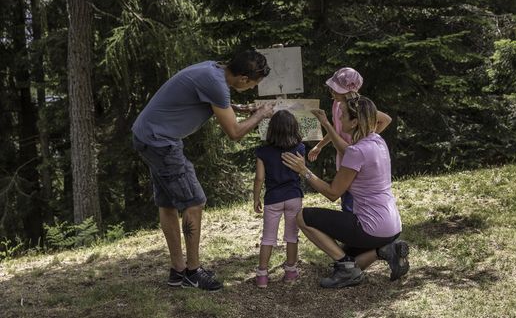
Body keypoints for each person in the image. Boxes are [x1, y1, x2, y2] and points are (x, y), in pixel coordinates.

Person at [132, 50, 274, 291]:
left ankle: (178, 271)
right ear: (242, 78)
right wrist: (260, 114)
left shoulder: (213, 70)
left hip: (147, 135)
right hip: (161, 142)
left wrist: (240, 108)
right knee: (194, 202)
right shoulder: (217, 84)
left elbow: (214, 101)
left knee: (167, 203)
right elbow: (235, 133)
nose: (251, 88)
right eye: (252, 84)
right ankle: (193, 272)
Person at [282, 96, 409, 289]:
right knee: (349, 255)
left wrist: (304, 171)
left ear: (355, 122)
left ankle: (346, 268)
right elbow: (347, 150)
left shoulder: (357, 152)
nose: (339, 120)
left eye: (342, 117)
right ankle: (384, 250)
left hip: (370, 228)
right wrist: (326, 124)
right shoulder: (377, 141)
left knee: (302, 217)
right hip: (392, 226)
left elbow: (333, 193)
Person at [307, 67, 392, 213]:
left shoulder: (358, 108)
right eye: (332, 88)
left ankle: (356, 230)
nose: (333, 92)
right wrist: (320, 146)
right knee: (346, 200)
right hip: (345, 159)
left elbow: (386, 120)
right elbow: (336, 129)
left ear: (350, 91)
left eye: (336, 89)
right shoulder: (337, 104)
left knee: (351, 203)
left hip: (356, 161)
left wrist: (365, 139)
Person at [252, 110, 305, 288]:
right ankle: (290, 272)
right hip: (294, 197)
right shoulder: (300, 148)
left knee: (267, 238)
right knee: (291, 236)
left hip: (272, 199)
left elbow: (259, 178)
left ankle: (262, 276)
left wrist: (256, 198)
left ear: (271, 129)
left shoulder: (263, 152)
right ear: (293, 128)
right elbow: (301, 171)